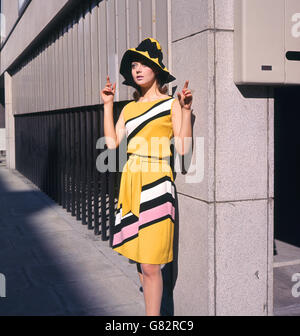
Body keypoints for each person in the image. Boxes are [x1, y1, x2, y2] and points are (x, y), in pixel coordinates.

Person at [101, 37, 192, 316]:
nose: (137, 70)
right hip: (131, 181)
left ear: (157, 70)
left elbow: (184, 149)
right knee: (141, 261)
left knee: (152, 264)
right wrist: (107, 104)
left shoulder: (171, 104)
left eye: (144, 64)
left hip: (157, 184)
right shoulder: (128, 108)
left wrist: (186, 110)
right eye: (134, 65)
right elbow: (113, 144)